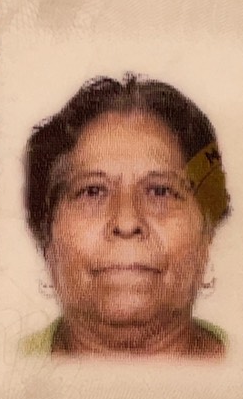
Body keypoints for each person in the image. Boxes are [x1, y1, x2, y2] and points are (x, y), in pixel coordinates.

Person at [20, 75, 230, 357]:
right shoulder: (2, 366)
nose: (127, 222)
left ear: (207, 234)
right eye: (93, 191)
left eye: (160, 191)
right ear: (46, 236)